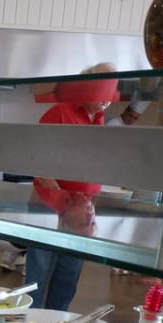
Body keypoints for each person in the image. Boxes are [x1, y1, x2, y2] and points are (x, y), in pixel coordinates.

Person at [25, 62, 119, 310]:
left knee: (68, 277)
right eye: (103, 93)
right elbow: (39, 164)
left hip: (82, 212)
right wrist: (64, 202)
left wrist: (84, 207)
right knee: (38, 277)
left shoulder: (99, 119)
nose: (106, 100)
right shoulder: (59, 114)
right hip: (49, 208)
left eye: (110, 94)